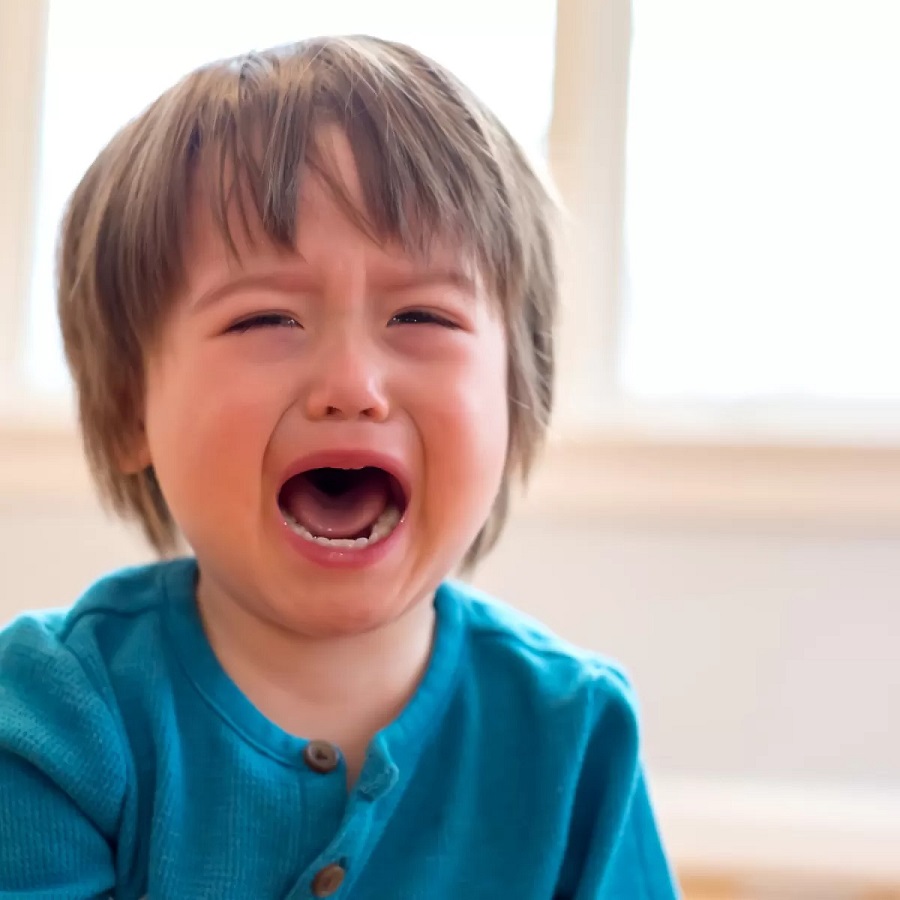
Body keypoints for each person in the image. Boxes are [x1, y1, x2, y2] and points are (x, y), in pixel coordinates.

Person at [0, 36, 679, 898]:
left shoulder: (575, 734)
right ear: (134, 406)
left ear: (514, 394)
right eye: (266, 320)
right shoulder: (55, 715)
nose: (352, 387)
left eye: (423, 315)